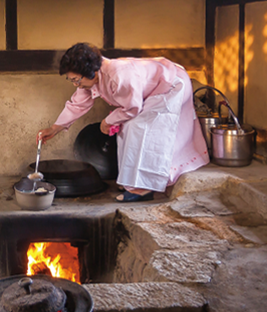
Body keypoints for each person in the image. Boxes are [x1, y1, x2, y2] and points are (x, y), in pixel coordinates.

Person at [38, 42, 209, 202]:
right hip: (153, 91)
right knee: (126, 127)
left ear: (91, 72)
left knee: (140, 127)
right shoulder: (92, 78)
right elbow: (78, 103)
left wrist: (107, 121)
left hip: (172, 85)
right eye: (72, 80)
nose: (76, 84)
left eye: (76, 80)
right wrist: (54, 128)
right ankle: (132, 181)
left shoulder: (119, 74)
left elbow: (133, 108)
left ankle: (144, 188)